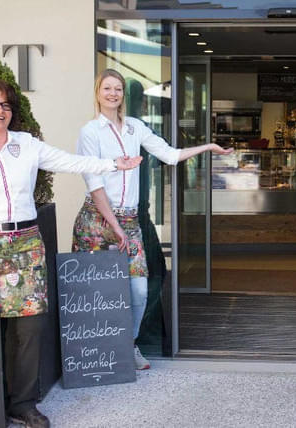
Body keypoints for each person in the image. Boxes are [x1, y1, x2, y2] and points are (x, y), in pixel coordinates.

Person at [0, 79, 142, 428]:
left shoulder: (27, 145)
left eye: (5, 105)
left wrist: (113, 165)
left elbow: (69, 161)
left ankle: (22, 404)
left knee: (29, 328)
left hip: (26, 244)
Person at [71, 69, 233, 370]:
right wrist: (115, 226)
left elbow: (169, 155)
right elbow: (94, 184)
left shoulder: (135, 127)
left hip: (129, 220)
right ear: (97, 93)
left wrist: (209, 147)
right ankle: (92, 353)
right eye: (107, 88)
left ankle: (128, 345)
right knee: (93, 290)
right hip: (96, 219)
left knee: (139, 290)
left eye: (117, 88)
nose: (113, 94)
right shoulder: (90, 132)